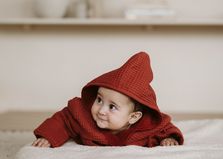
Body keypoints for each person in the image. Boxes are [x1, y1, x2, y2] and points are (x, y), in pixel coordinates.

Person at [32, 51, 184, 148]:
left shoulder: (146, 127)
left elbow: (164, 127)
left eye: (112, 107)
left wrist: (169, 139)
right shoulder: (82, 116)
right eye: (99, 100)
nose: (101, 110)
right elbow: (63, 120)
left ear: (133, 117)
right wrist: (48, 137)